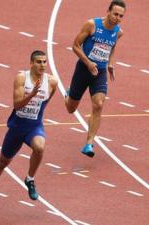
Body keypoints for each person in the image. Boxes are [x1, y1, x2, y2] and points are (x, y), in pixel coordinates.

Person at [0, 50, 58, 209]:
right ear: (31, 63)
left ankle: (30, 179)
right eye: (39, 62)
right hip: (17, 128)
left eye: (45, 62)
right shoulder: (21, 78)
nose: (42, 65)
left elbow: (44, 103)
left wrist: (36, 108)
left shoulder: (52, 82)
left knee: (40, 147)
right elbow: (16, 105)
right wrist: (32, 95)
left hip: (34, 127)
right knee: (2, 162)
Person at [65, 0, 125, 157]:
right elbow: (75, 46)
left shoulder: (118, 32)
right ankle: (69, 93)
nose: (118, 18)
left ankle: (89, 144)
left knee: (98, 104)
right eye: (115, 14)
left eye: (121, 16)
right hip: (83, 70)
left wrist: (110, 63)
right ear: (108, 12)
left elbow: (111, 47)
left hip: (100, 73)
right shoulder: (92, 25)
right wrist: (88, 63)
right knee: (71, 108)